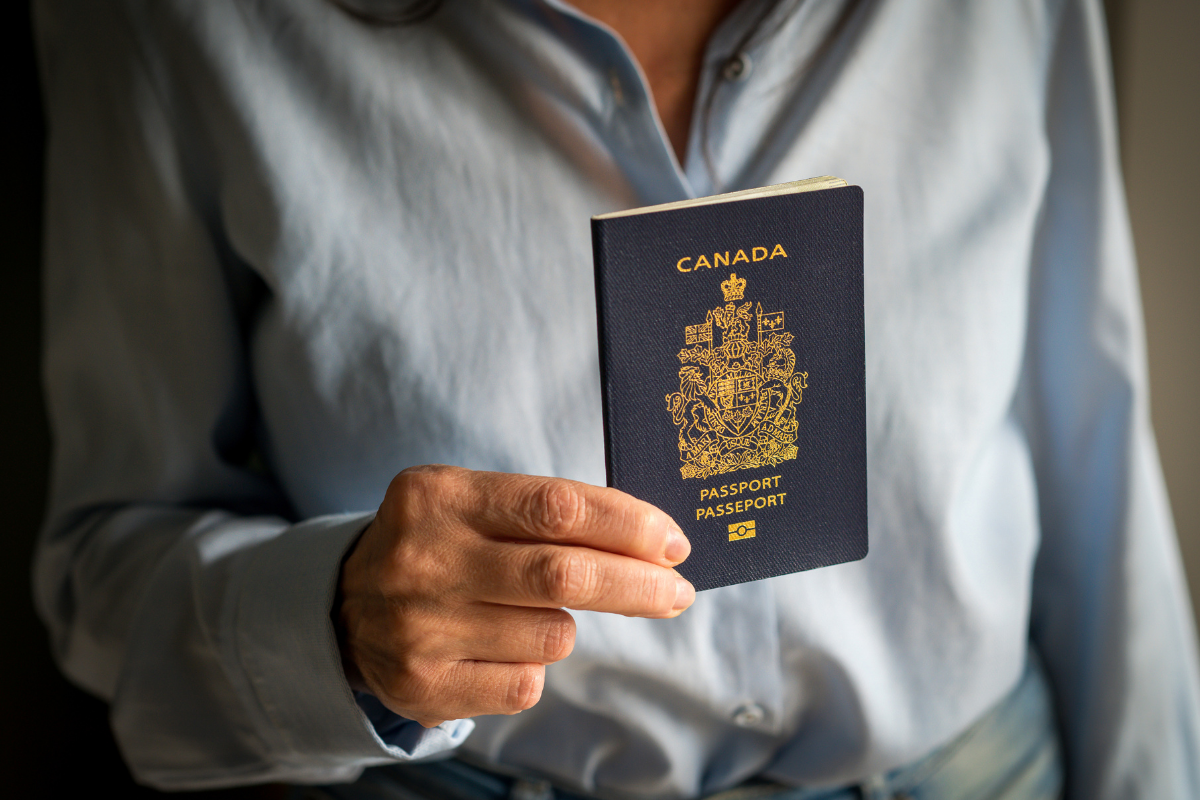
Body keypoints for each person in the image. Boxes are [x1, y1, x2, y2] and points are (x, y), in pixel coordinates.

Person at [33, 0, 1200, 797]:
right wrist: (332, 626)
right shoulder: (174, 25)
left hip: (983, 765)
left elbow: (1092, 447)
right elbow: (105, 556)